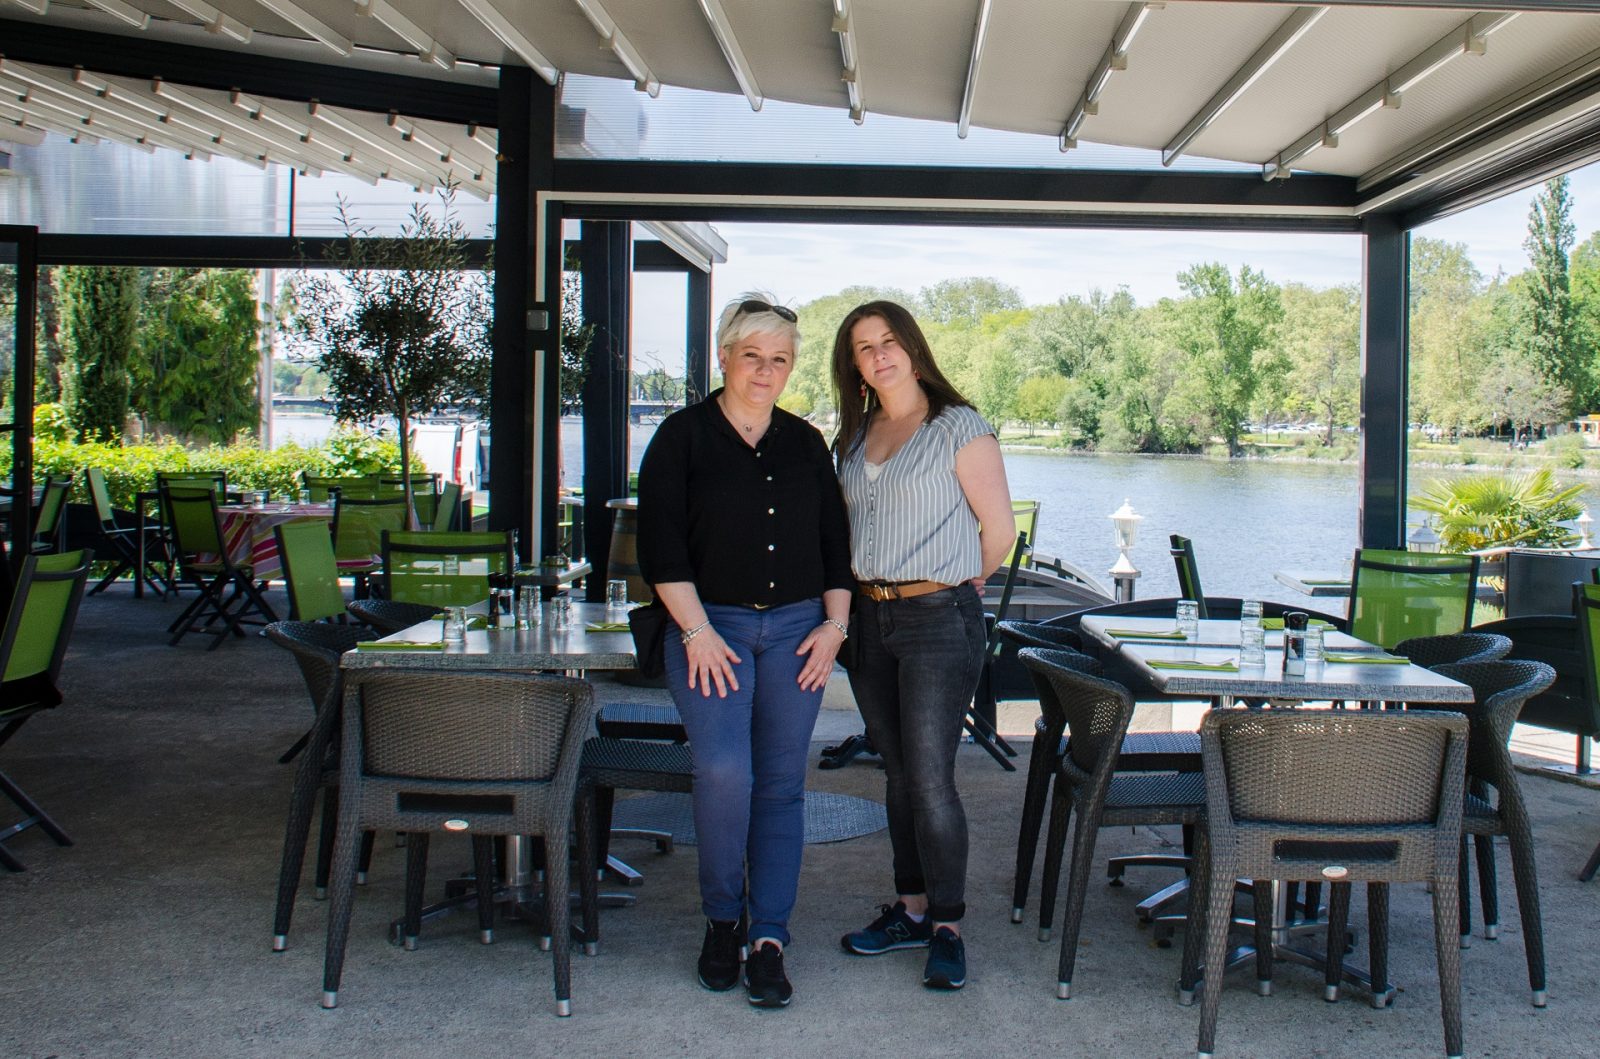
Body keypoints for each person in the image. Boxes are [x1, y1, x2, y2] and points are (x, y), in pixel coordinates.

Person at [637, 293, 854, 1008]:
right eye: (753, 355)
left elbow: (833, 543)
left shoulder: (804, 442)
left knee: (783, 783)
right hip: (711, 630)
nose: (766, 370)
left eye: (781, 359)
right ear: (723, 356)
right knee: (725, 772)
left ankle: (769, 935)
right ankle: (721, 917)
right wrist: (696, 630)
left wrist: (835, 626)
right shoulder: (680, 437)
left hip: (798, 633)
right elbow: (660, 547)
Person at [830, 299, 1015, 990]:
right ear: (853, 363)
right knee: (897, 773)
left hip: (939, 619)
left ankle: (947, 925)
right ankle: (909, 910)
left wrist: (958, 584)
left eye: (888, 341)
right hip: (870, 624)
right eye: (863, 347)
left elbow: (998, 529)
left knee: (932, 777)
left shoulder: (958, 427)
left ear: (912, 347)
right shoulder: (854, 434)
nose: (878, 355)